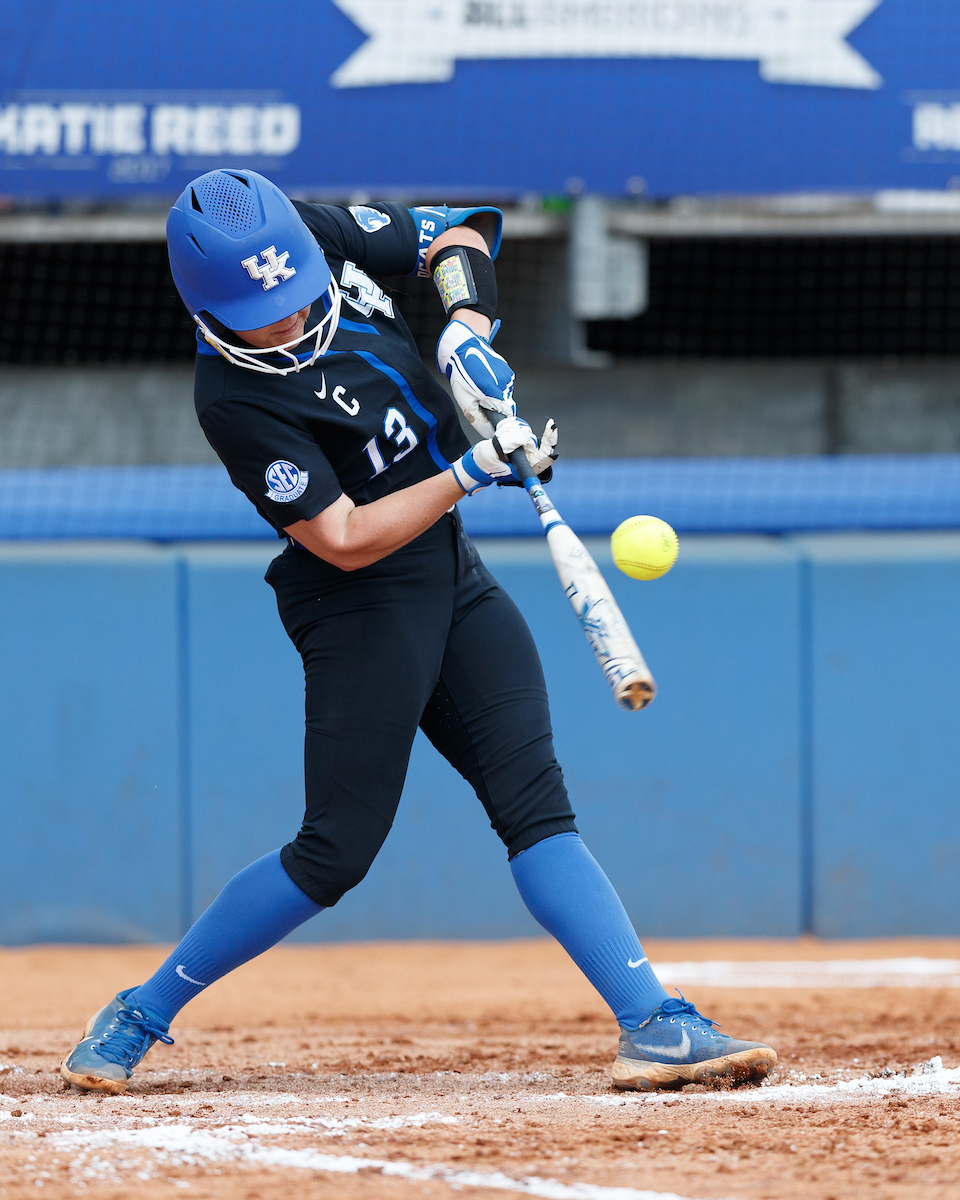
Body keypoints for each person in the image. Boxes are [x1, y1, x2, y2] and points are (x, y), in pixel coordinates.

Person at [60, 170, 776, 1096]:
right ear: (209, 311)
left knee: (536, 806)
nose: (288, 320)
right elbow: (343, 538)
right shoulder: (233, 400)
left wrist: (466, 327)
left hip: (451, 571)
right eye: (261, 316)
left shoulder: (317, 233)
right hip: (357, 605)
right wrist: (472, 468)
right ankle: (137, 1014)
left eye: (295, 296)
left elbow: (459, 232)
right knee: (335, 852)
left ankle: (655, 1023)